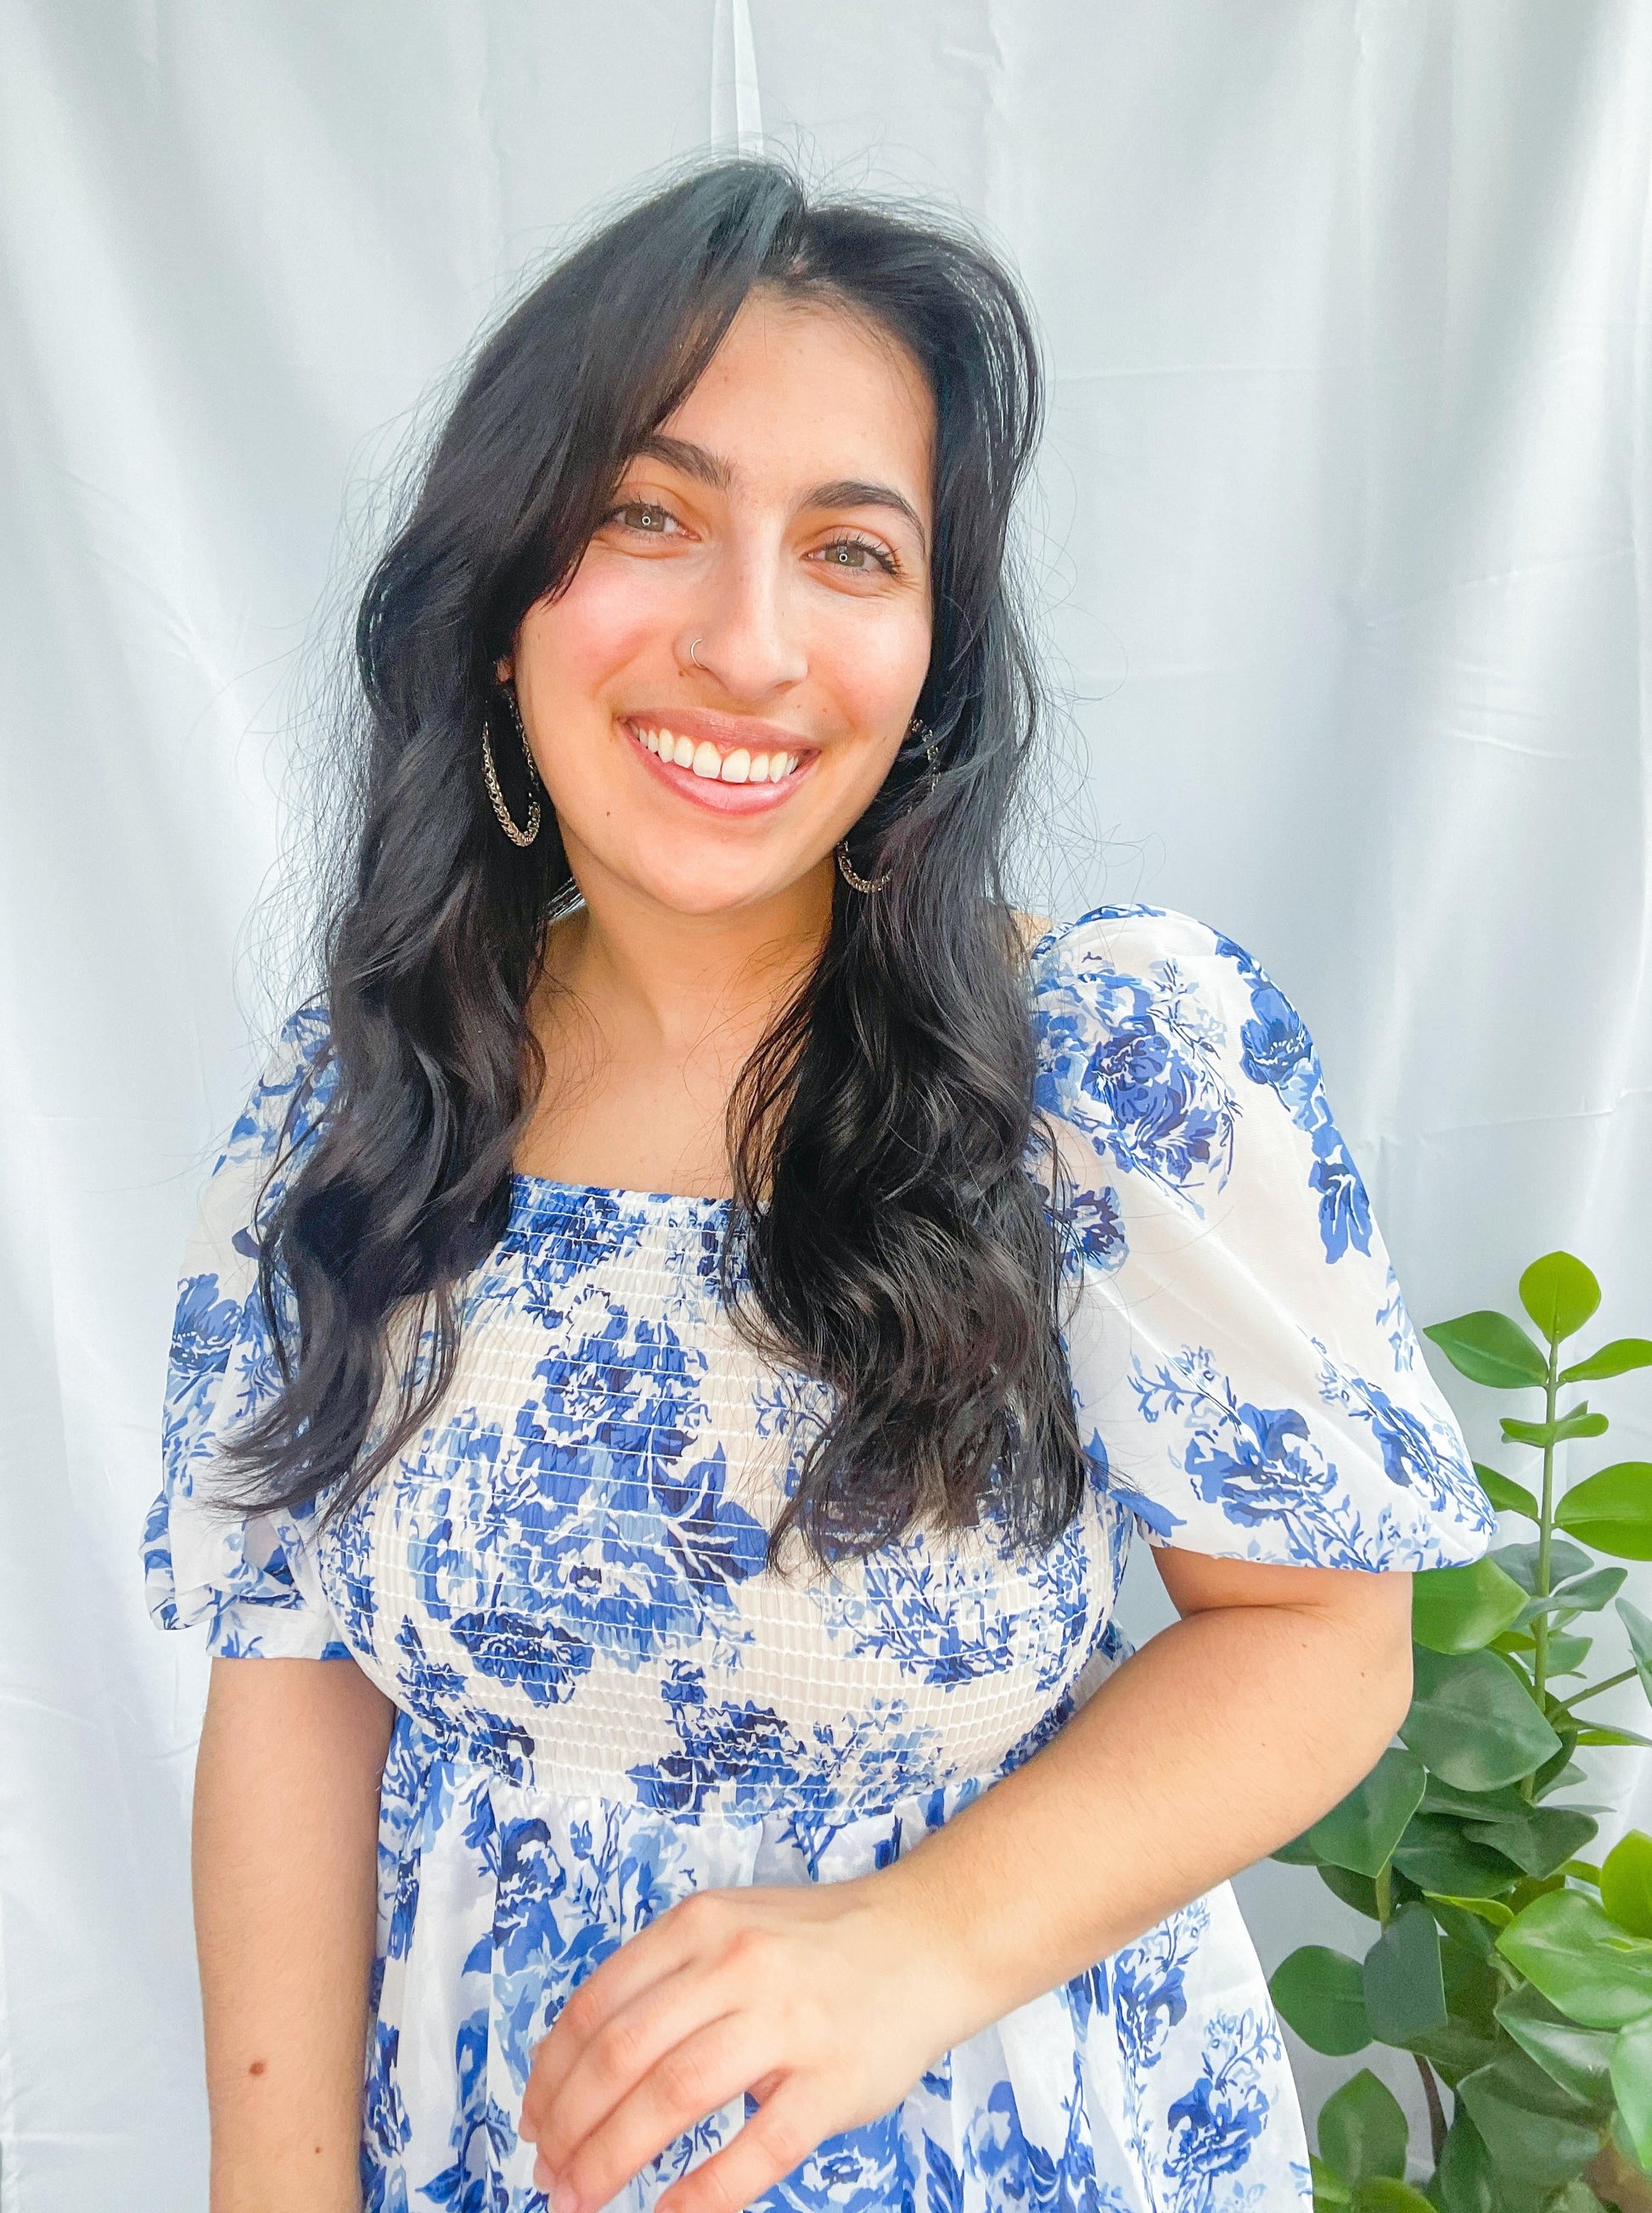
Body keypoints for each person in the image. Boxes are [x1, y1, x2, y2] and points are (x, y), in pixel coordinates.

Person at [144, 159, 1494, 2213]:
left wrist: (910, 1944)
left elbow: (1323, 1634)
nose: (746, 642)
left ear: (932, 653)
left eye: (852, 550)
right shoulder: (364, 1091)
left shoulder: (1102, 1058)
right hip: (480, 2144)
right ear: (497, 598)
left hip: (994, 2132)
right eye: (647, 515)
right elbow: (293, 1675)